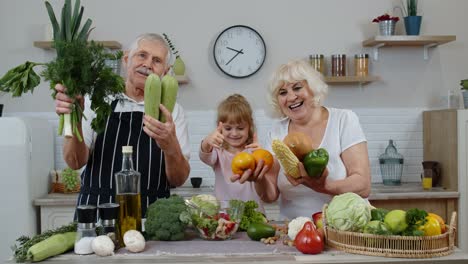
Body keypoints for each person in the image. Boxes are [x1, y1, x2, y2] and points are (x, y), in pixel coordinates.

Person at [54, 33, 190, 217]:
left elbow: (178, 179)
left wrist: (170, 146)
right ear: (126, 59)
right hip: (97, 212)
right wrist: (75, 119)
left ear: (164, 72)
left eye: (157, 60)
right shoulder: (96, 100)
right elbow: (74, 162)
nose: (148, 64)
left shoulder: (172, 111)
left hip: (151, 214)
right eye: (142, 55)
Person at [246, 59, 371, 220]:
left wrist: (323, 186)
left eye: (297, 87)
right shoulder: (277, 132)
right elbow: (270, 196)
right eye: (282, 92)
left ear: (313, 89)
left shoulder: (343, 120)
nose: (291, 97)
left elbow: (363, 185)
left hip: (345, 228)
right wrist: (258, 178)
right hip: (295, 232)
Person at [199, 94, 270, 213]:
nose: (234, 133)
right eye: (228, 128)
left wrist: (261, 155)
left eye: (240, 128)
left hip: (254, 215)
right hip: (225, 217)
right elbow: (204, 156)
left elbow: (265, 186)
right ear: (219, 127)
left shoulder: (254, 152)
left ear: (249, 127)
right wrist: (207, 141)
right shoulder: (218, 152)